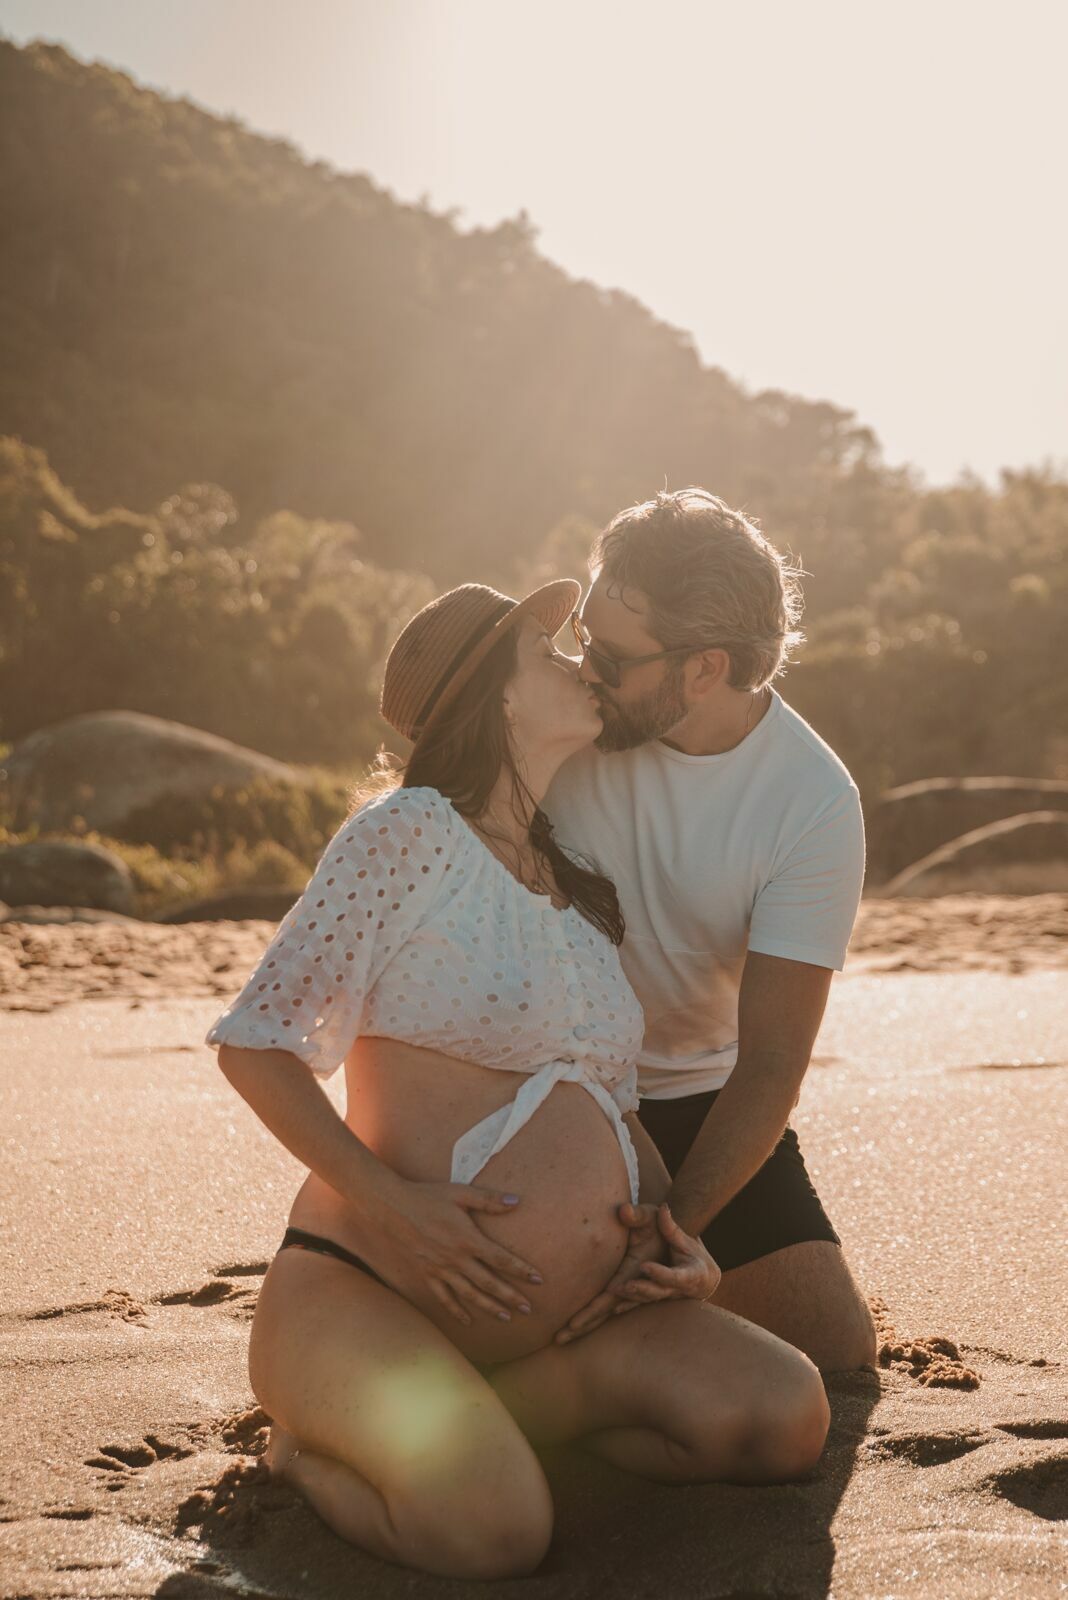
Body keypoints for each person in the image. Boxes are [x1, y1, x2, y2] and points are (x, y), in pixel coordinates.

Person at [204, 577, 831, 1581]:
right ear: (494, 697)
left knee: (783, 1412)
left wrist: (681, 1245)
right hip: (373, 1290)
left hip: (553, 1337)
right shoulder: (402, 836)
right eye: (548, 652)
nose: (580, 662)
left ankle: (509, 1412)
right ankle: (301, 1450)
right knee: (491, 1532)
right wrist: (395, 1204)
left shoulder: (573, 882)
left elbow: (603, 1110)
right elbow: (256, 1045)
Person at [545, 487, 877, 1373]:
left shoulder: (811, 804)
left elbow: (771, 1063)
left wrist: (674, 1229)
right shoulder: (558, 723)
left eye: (610, 658)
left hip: (698, 1095)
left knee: (837, 1352)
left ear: (705, 669)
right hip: (545, 1082)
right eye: (583, 638)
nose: (583, 670)